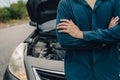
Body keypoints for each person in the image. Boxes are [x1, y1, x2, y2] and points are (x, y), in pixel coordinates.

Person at [56, 0, 120, 80]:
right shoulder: (66, 3)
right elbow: (65, 41)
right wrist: (103, 42)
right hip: (78, 75)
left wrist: (82, 35)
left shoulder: (115, 1)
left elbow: (118, 33)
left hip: (108, 73)